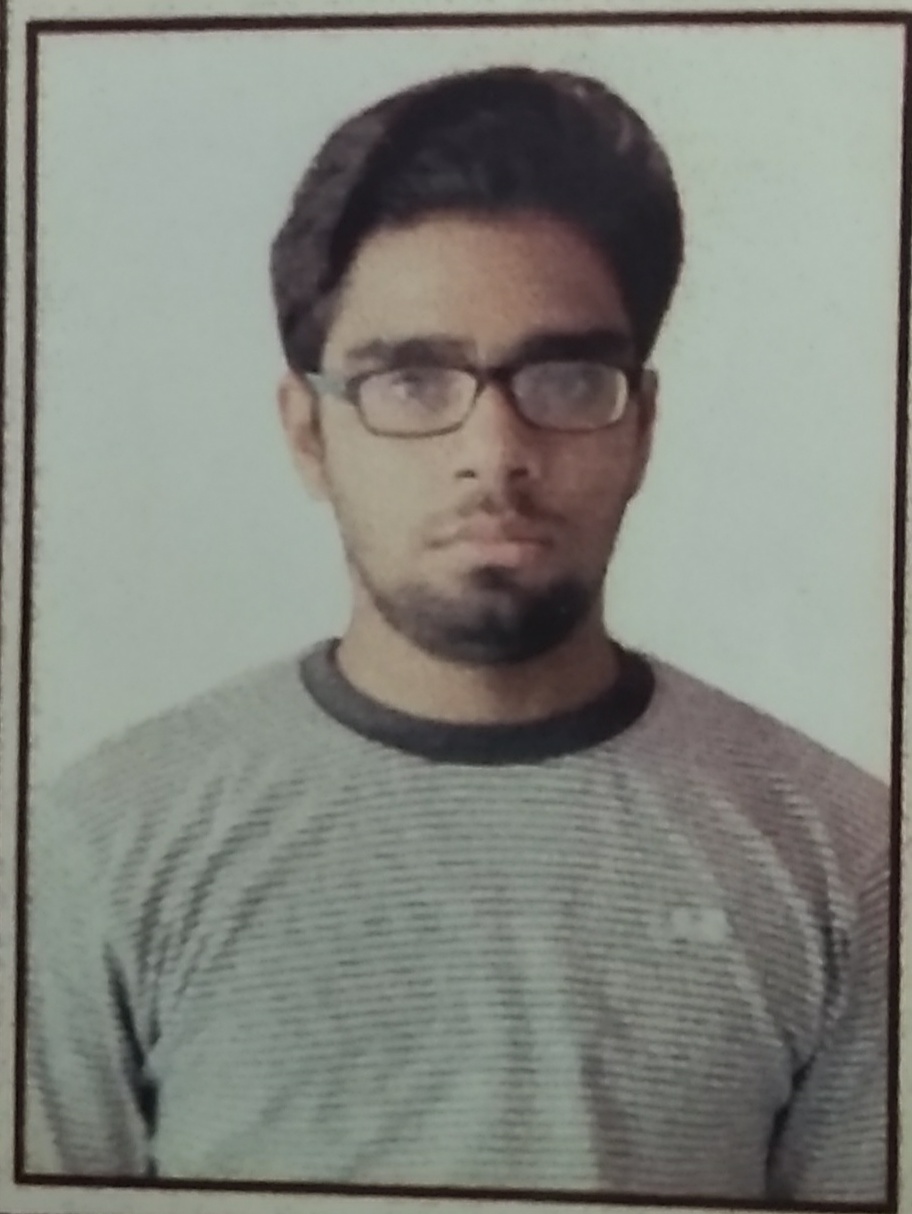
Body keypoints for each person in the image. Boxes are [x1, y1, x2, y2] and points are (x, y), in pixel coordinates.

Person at [25, 65, 890, 1202]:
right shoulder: (97, 848)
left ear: (640, 427)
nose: (493, 451)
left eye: (565, 377)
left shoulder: (847, 854)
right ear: (308, 433)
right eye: (412, 379)